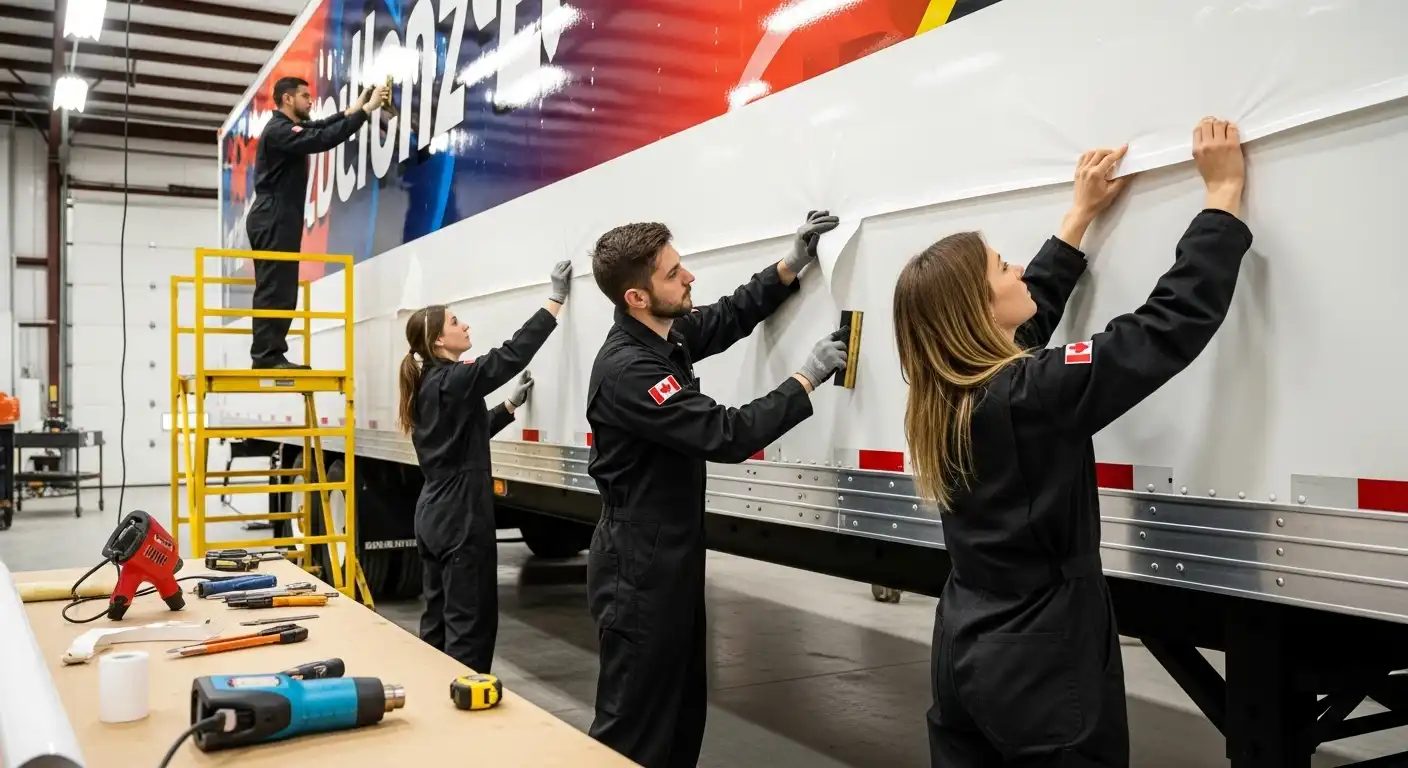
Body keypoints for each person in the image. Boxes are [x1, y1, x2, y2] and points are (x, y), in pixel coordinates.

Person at [892, 116, 1252, 767]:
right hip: (1042, 662)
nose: (1020, 274)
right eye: (1005, 268)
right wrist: (1221, 200)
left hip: (966, 651)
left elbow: (1028, 321)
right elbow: (1161, 329)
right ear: (977, 309)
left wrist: (1078, 216)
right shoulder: (1029, 394)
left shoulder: (943, 394)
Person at [583, 211, 852, 767]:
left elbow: (725, 317)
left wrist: (789, 264)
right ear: (637, 296)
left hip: (667, 558)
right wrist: (805, 378)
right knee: (633, 728)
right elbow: (725, 433)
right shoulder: (630, 370)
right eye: (673, 273)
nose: (689, 279)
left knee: (681, 715)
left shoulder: (662, 333)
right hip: (638, 569)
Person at [396, 259, 574, 673]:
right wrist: (555, 301)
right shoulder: (455, 379)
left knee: (438, 619)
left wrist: (509, 407)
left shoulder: (431, 385)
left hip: (433, 513)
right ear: (440, 340)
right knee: (469, 625)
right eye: (457, 322)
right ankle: (464, 709)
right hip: (460, 516)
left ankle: (434, 698)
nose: (466, 327)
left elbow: (462, 438)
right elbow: (509, 355)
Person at [246, 76, 387, 369]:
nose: (311, 101)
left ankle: (270, 354)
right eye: (305, 96)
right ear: (287, 99)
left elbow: (319, 127)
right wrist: (364, 113)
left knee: (281, 285)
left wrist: (355, 108)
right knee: (276, 286)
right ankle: (266, 356)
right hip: (274, 214)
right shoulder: (277, 131)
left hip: (279, 215)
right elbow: (321, 139)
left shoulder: (286, 128)